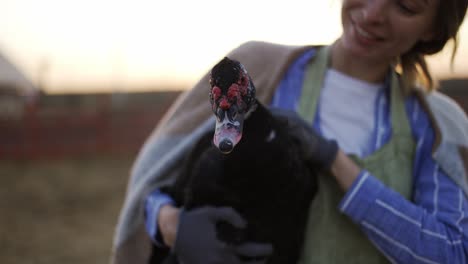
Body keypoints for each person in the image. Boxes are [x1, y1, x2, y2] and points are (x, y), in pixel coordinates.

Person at [111, 0, 468, 263]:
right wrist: (172, 225)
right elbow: (154, 185)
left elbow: (450, 253)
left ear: (434, 29)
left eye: (405, 6)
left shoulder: (436, 124)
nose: (373, 12)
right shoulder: (254, 71)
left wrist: (337, 163)